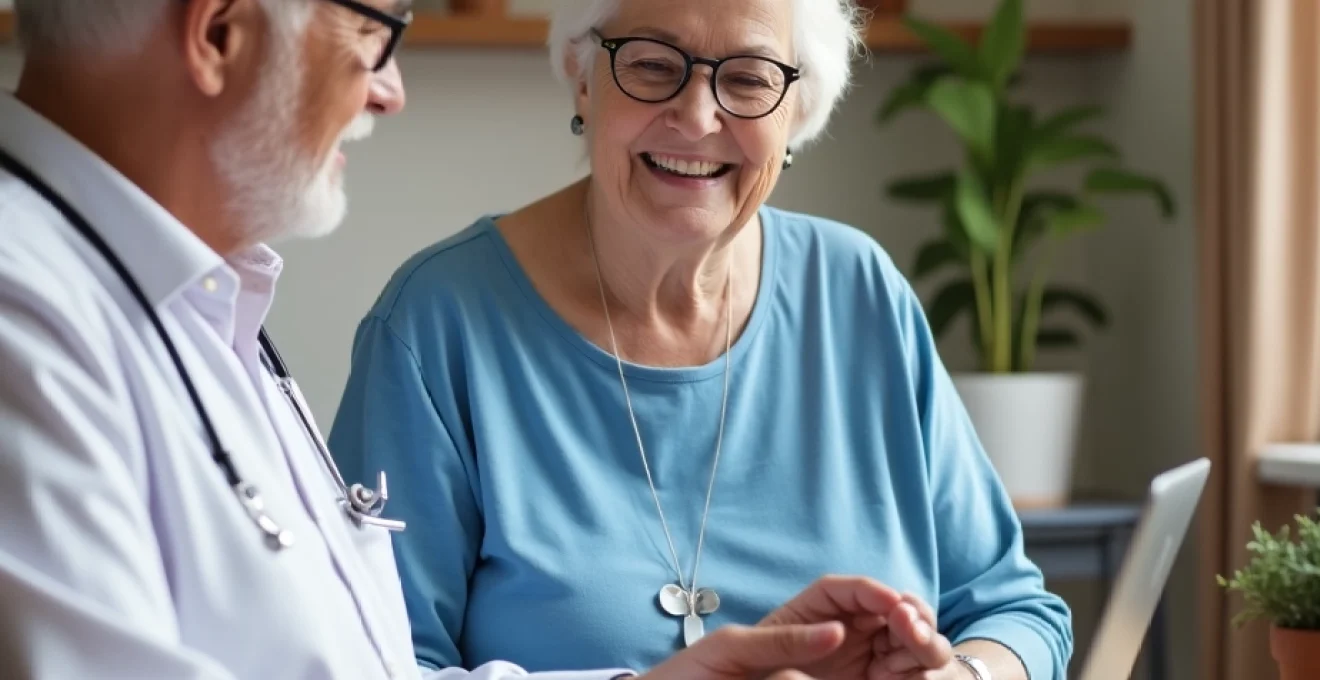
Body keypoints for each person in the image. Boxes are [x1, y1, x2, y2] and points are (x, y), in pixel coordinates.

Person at [0, 1, 922, 678]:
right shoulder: (27, 323)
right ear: (219, 33)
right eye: (376, 35)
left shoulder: (194, 304)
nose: (393, 92)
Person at [327, 0, 1077, 679]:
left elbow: (1014, 610)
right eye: (652, 64)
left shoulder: (861, 293)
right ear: (583, 78)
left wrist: (961, 678)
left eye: (749, 80)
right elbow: (376, 665)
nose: (696, 115)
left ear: (796, 113)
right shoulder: (436, 325)